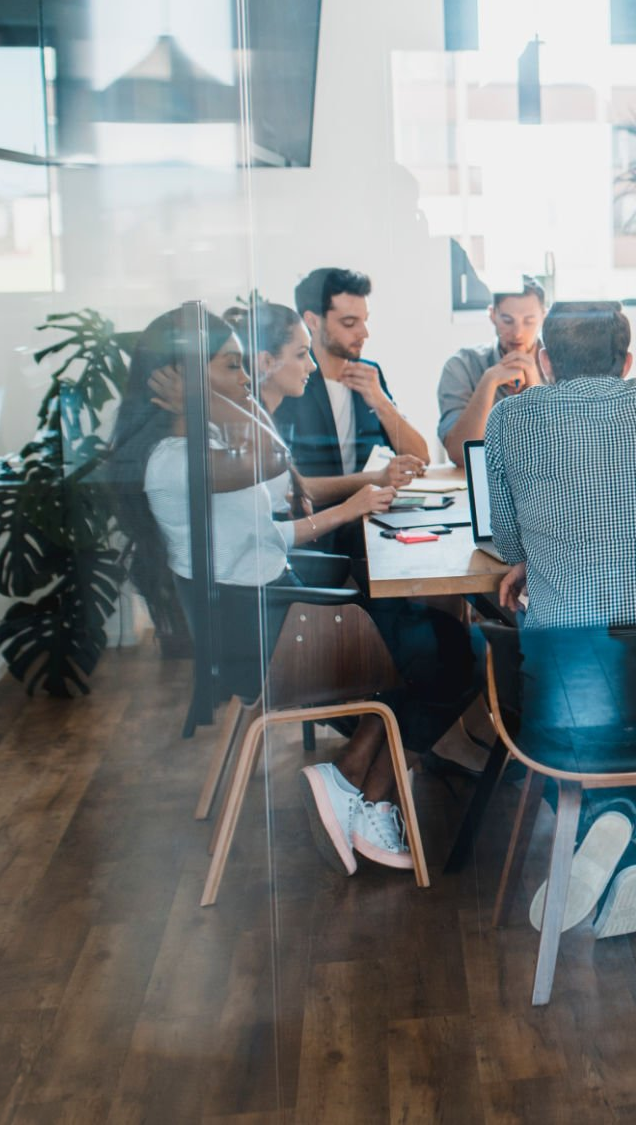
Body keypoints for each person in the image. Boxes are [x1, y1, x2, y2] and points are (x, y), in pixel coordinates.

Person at [109, 303, 480, 881]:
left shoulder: (202, 447)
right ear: (186, 379)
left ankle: (356, 783)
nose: (245, 379)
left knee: (433, 642)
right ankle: (368, 794)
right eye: (231, 367)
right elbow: (274, 457)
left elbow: (263, 528)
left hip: (275, 613)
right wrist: (213, 399)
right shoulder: (176, 461)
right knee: (454, 655)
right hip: (273, 635)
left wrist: (215, 397)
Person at [483, 299, 636, 941]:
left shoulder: (511, 417)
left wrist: (542, 557)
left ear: (544, 359)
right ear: (627, 363)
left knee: (582, 727)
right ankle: (625, 845)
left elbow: (509, 540)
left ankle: (611, 821)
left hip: (574, 679)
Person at [270, 269, 429, 550]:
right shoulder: (292, 385)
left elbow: (421, 456)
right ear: (313, 321)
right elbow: (291, 489)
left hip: (374, 524)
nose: (364, 333)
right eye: (349, 323)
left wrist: (381, 402)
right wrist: (372, 481)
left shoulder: (369, 375)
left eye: (364, 321)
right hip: (318, 532)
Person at [436, 279, 548, 466]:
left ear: (543, 317)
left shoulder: (560, 364)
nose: (517, 333)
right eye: (507, 320)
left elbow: (563, 453)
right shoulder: (462, 365)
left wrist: (534, 386)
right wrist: (488, 382)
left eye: (529, 321)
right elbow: (459, 455)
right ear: (492, 315)